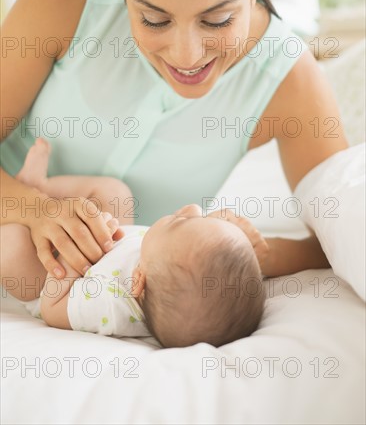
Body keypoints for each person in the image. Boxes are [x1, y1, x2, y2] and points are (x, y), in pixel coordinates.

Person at [1, 0, 347, 287]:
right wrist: (33, 208)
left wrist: (254, 250)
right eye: (154, 19)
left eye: (217, 20)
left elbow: (335, 239)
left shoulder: (287, 77)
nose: (186, 56)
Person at [5, 137, 269, 348]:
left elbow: (53, 309)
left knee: (11, 246)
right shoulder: (172, 264)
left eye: (181, 222)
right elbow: (210, 256)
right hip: (110, 241)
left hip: (51, 281)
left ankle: (26, 205)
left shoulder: (112, 308)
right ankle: (38, 188)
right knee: (116, 193)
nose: (190, 208)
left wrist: (74, 258)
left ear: (138, 279)